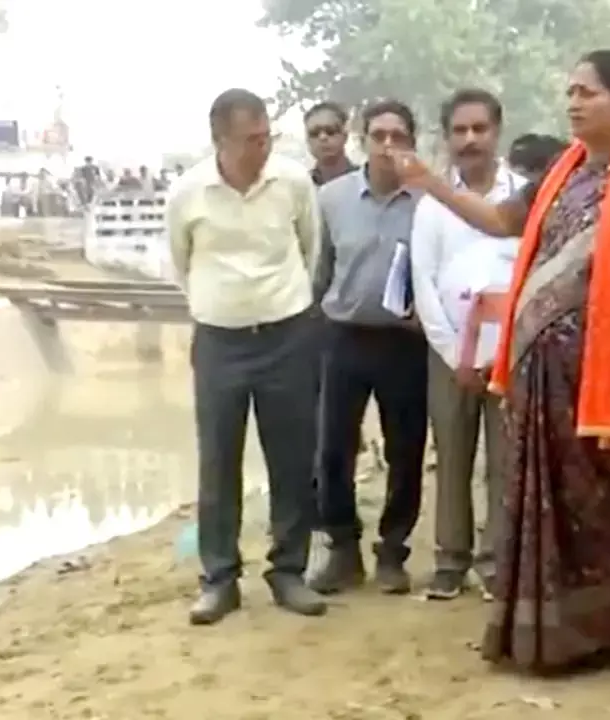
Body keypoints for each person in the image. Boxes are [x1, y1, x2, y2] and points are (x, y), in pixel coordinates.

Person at [389, 49, 610, 675]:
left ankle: (604, 636)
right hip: (545, 377)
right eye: (570, 91)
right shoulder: (560, 174)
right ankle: (547, 640)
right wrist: (429, 182)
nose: (573, 102)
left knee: (609, 508)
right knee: (546, 507)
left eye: (586, 92)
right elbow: (499, 221)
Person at [167, 88, 326, 625]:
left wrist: (282, 306)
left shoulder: (293, 182)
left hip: (288, 336)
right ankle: (219, 579)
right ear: (220, 140)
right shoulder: (188, 193)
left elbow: (310, 249)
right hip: (220, 342)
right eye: (250, 140)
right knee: (218, 461)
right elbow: (180, 263)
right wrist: (221, 306)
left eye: (266, 137)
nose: (262, 148)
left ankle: (288, 571)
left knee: (292, 459)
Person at [306, 99, 429, 596]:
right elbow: (320, 270)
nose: (387, 146)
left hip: (406, 342)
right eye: (378, 136)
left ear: (412, 142)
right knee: (333, 448)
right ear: (362, 140)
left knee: (406, 449)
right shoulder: (331, 199)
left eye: (398, 136)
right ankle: (342, 549)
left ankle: (393, 550)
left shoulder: (429, 200)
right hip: (342, 338)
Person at [410, 89, 525, 601]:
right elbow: (424, 281)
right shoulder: (432, 205)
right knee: (452, 457)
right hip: (449, 355)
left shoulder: (521, 196)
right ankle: (450, 560)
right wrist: (456, 354)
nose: (470, 139)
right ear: (447, 137)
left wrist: (506, 349)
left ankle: (497, 560)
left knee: (506, 461)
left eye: (480, 128)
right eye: (460, 130)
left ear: (497, 131)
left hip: (512, 355)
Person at [304, 101, 357, 186]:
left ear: (345, 136)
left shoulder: (367, 181)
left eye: (330, 131)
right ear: (307, 140)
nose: (322, 137)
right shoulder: (300, 184)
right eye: (314, 133)